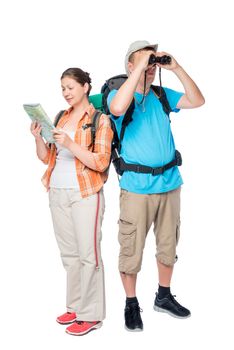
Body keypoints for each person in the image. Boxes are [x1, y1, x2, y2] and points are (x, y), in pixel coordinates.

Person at [107, 40, 205, 331]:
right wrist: (139, 68)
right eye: (143, 62)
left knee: (168, 243)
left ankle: (163, 296)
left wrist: (174, 67)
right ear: (130, 66)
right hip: (137, 187)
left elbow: (197, 100)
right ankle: (131, 303)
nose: (150, 68)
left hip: (170, 183)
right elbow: (117, 107)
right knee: (131, 248)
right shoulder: (118, 93)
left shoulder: (162, 95)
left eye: (152, 63)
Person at [30, 68, 113, 336]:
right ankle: (77, 306)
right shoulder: (59, 118)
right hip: (57, 191)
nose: (66, 93)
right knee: (70, 256)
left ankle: (92, 315)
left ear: (86, 87)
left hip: (85, 193)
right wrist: (37, 138)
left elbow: (101, 162)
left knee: (89, 255)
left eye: (70, 87)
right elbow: (46, 158)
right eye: (62, 88)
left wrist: (70, 143)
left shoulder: (100, 120)